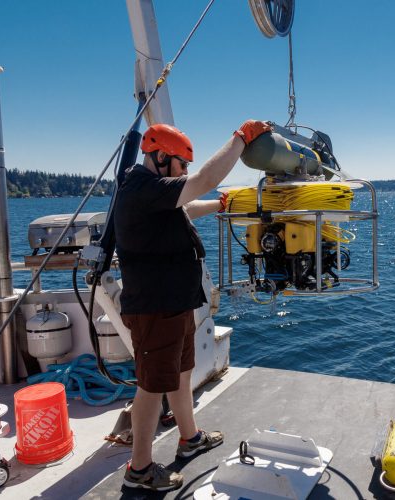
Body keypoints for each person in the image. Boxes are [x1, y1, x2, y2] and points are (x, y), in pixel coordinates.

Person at [114, 120, 271, 491]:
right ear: (162, 157)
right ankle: (139, 470)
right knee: (152, 386)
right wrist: (239, 139)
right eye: (182, 164)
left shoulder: (152, 190)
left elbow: (186, 207)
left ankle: (190, 438)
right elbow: (199, 182)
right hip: (155, 306)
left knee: (181, 373)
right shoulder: (140, 187)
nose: (184, 172)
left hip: (174, 302)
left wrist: (221, 204)